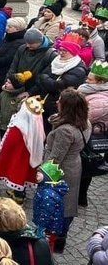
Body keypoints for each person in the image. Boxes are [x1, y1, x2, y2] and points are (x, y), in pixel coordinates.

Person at [43, 88, 91, 252]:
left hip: (61, 170)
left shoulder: (65, 130)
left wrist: (42, 176)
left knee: (59, 203)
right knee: (67, 201)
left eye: (60, 101)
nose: (57, 102)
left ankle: (57, 238)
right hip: (74, 166)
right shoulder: (85, 122)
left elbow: (55, 159)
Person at [0, 96, 46, 204]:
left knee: (17, 172)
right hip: (27, 157)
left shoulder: (19, 127)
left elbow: (9, 142)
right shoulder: (35, 126)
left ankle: (18, 195)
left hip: (18, 157)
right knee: (23, 173)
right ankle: (19, 191)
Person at [37, 32, 88, 133]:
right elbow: (39, 78)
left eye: (65, 50)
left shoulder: (78, 70)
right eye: (60, 49)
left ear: (73, 52)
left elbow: (56, 87)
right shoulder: (56, 61)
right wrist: (46, 80)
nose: (60, 53)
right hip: (44, 104)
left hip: (57, 108)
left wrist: (45, 79)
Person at [76, 60, 108, 206]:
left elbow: (84, 117)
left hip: (88, 136)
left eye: (90, 79)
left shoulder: (100, 100)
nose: (86, 80)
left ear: (100, 82)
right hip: (84, 134)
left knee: (85, 164)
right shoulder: (89, 90)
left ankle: (80, 196)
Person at [6, 28, 57, 99]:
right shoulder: (22, 49)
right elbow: (13, 66)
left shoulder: (50, 55)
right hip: (17, 88)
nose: (27, 45)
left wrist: (30, 92)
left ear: (40, 41)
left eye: (31, 44)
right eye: (26, 43)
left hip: (34, 94)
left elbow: (44, 79)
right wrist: (9, 81)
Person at [0, 72, 30, 155]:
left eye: (9, 82)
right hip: (2, 122)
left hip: (12, 124)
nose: (6, 83)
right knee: (2, 136)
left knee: (10, 139)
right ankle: (1, 147)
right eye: (7, 81)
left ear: (15, 86)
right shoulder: (3, 94)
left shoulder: (21, 98)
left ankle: (9, 151)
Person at [0, 18, 28, 94]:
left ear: (17, 28)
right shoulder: (8, 37)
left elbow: (8, 58)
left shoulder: (19, 42)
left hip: (6, 71)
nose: (7, 28)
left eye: (10, 27)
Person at [31, 160, 68, 245]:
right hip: (50, 227)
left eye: (40, 173)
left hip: (48, 228)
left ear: (47, 178)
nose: (36, 174)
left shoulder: (47, 194)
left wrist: (41, 227)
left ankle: (45, 257)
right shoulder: (45, 188)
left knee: (45, 246)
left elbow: (46, 213)